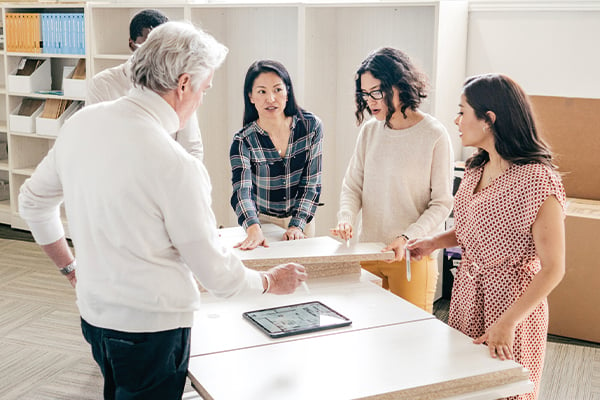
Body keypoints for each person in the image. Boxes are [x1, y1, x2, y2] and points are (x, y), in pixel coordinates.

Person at [19, 22, 307, 400]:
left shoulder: (82, 124)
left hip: (93, 316)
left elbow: (32, 203)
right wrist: (270, 281)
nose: (202, 98)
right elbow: (218, 275)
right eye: (204, 89)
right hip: (151, 332)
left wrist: (71, 269)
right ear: (184, 84)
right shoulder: (175, 163)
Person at [408, 73, 566, 400]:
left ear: (489, 119)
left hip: (513, 305)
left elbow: (553, 268)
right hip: (467, 294)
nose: (456, 120)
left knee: (505, 392)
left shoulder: (538, 181)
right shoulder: (475, 168)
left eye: (463, 111)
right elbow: (475, 230)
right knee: (463, 387)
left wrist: (507, 323)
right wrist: (434, 242)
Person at [331, 47, 453, 313]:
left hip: (411, 256)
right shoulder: (370, 131)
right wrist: (345, 218)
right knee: (367, 339)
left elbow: (442, 203)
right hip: (368, 252)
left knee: (410, 342)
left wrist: (407, 236)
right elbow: (353, 186)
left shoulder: (434, 134)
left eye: (377, 92)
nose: (370, 101)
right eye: (365, 94)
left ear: (400, 85)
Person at [87, 9, 204, 160]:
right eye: (148, 47)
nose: (154, 55)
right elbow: (99, 144)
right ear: (131, 44)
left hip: (167, 176)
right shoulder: (103, 84)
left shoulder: (177, 85)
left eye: (162, 49)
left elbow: (192, 148)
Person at [230, 60, 323, 250]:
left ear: (287, 92)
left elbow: (311, 183)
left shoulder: (311, 127)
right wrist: (253, 228)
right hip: (261, 223)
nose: (271, 98)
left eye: (277, 90)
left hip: (302, 220)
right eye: (262, 91)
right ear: (251, 96)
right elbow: (242, 191)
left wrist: (297, 225)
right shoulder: (243, 141)